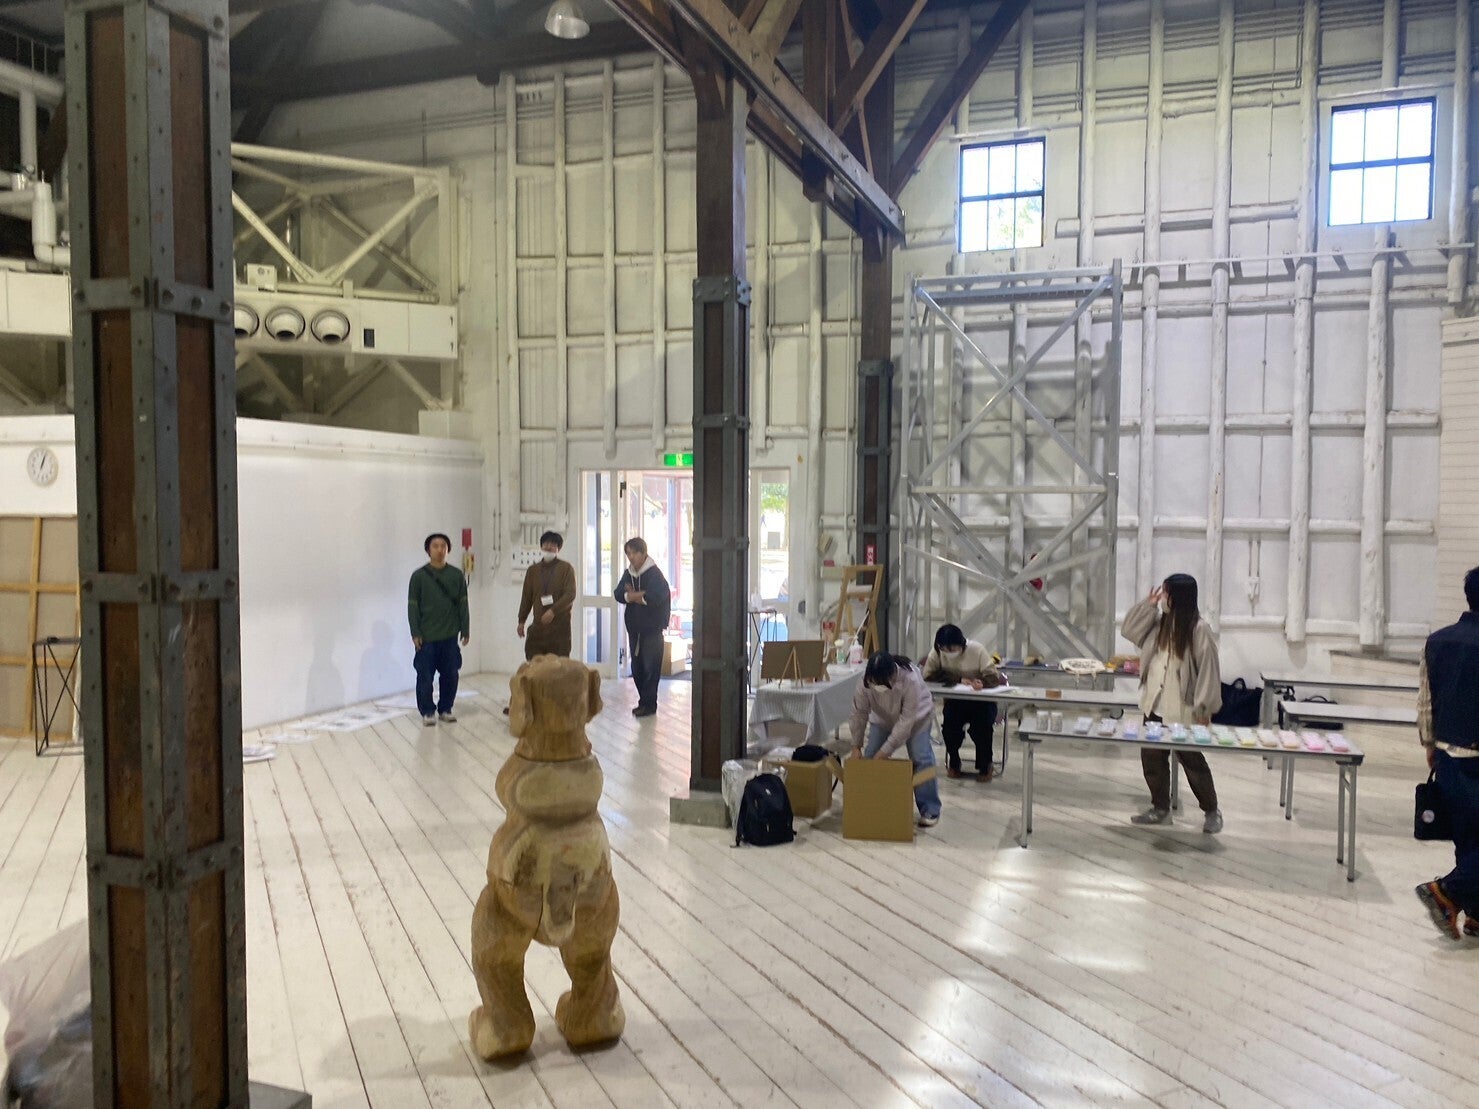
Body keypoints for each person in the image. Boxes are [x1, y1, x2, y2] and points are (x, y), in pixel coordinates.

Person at [1121, 573, 1224, 833]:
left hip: (1182, 709)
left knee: (1192, 761)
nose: (1163, 598)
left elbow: (1209, 670)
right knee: (1152, 758)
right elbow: (1129, 630)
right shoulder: (1158, 624)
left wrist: (1204, 707)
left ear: (1179, 597)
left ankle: (1212, 810)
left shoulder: (1199, 629)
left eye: (1166, 593)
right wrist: (1147, 606)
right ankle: (1160, 808)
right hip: (1154, 705)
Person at [1414, 566, 1479, 941]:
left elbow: (1426, 700)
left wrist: (1429, 745)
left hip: (1448, 756)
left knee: (1469, 836)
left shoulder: (1437, 641)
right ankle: (1446, 892)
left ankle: (1476, 916)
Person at [847, 652, 943, 828]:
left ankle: (930, 808)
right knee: (870, 757)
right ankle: (870, 804)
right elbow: (859, 713)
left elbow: (906, 721)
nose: (876, 686)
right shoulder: (865, 681)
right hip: (883, 719)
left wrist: (886, 751)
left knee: (921, 757)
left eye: (881, 683)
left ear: (892, 675)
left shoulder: (910, 679)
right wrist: (856, 745)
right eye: (873, 682)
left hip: (917, 719)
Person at [922, 624, 1003, 781]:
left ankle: (985, 765)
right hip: (956, 701)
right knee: (950, 728)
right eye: (944, 649)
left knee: (982, 728)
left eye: (952, 648)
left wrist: (981, 683)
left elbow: (994, 677)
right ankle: (954, 761)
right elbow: (928, 675)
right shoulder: (937, 652)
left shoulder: (977, 650)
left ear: (962, 644)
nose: (948, 652)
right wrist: (958, 679)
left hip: (982, 702)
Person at [407, 532, 470, 726]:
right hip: (426, 637)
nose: (440, 550)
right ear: (428, 550)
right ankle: (427, 711)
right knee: (425, 676)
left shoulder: (456, 575)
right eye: (435, 546)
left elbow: (463, 604)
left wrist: (465, 629)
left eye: (443, 546)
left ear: (448, 549)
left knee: (451, 674)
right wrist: (415, 632)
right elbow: (412, 606)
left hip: (449, 636)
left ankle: (445, 708)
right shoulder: (418, 576)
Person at [613, 537, 670, 718]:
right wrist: (636, 596)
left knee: (650, 668)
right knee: (637, 668)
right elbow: (618, 594)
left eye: (634, 553)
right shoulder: (629, 573)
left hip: (652, 630)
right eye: (628, 553)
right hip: (634, 629)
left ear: (643, 553)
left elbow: (656, 597)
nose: (631, 557)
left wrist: (633, 595)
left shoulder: (654, 574)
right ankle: (643, 702)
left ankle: (649, 704)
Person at [517, 531, 577, 660]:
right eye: (546, 543)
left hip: (559, 631)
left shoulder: (566, 568)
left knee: (558, 668)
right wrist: (521, 621)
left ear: (558, 548)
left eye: (553, 544)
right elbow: (526, 597)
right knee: (535, 666)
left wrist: (552, 611)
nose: (548, 547)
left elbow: (570, 594)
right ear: (541, 546)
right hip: (538, 630)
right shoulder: (532, 570)